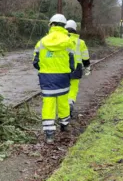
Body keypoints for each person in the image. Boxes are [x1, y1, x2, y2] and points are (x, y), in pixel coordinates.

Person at [33, 14, 75, 144]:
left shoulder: (42, 42)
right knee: (63, 102)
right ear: (64, 26)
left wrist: (46, 67)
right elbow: (72, 64)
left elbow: (35, 62)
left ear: (51, 24)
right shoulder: (68, 41)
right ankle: (64, 125)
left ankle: (49, 134)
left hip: (46, 78)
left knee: (48, 104)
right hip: (63, 77)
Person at [65, 20, 91, 118]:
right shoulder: (80, 42)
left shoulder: (62, 40)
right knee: (73, 88)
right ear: (75, 29)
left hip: (63, 68)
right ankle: (70, 102)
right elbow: (85, 56)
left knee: (64, 88)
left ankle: (63, 109)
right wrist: (87, 67)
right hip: (77, 68)